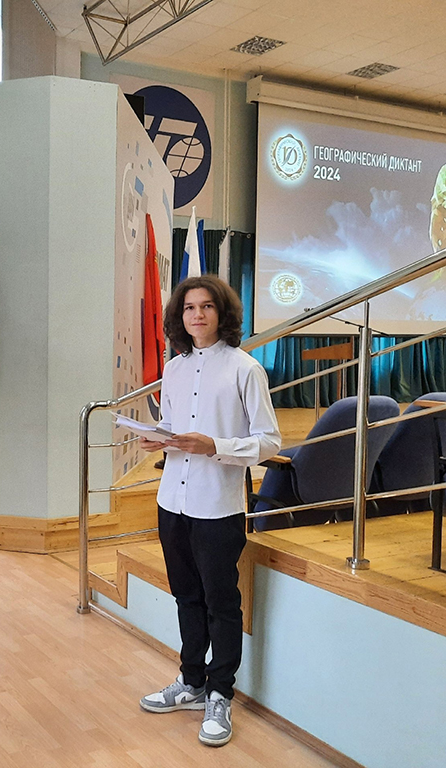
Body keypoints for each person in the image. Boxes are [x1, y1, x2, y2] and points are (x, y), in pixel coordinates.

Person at [137, 275, 281, 747]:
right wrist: (159, 437)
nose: (197, 315)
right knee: (186, 596)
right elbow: (174, 427)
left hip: (217, 505)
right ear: (179, 317)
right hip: (171, 502)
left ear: (223, 313)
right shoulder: (174, 369)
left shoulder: (245, 369)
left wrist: (215, 445)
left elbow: (269, 441)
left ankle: (221, 694)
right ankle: (191, 681)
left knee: (221, 602)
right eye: (188, 308)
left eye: (206, 306)